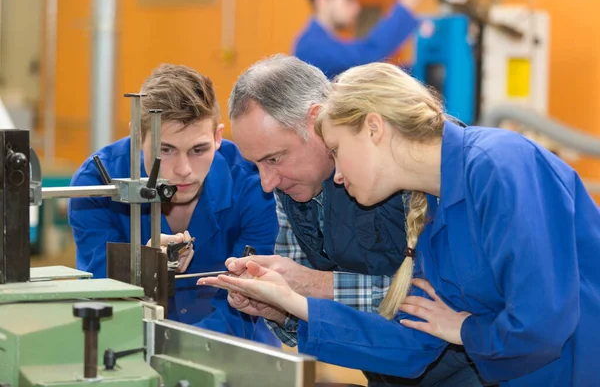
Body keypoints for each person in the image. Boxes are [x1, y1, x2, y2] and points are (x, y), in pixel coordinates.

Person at [201, 61, 600, 386]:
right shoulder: (430, 215)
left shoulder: (501, 164)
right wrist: (291, 304)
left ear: (373, 128)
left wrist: (465, 331)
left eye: (338, 151)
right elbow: (414, 341)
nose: (337, 176)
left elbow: (541, 324)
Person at [221, 54, 484, 386]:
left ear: (315, 121)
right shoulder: (292, 186)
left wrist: (312, 287)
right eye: (256, 164)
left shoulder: (407, 166)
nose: (266, 181)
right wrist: (278, 305)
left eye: (274, 158)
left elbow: (435, 303)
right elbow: (315, 317)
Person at [68, 63, 280, 347]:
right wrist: (142, 266)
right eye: (165, 150)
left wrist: (179, 351)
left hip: (236, 350)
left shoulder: (254, 186)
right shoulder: (94, 185)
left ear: (218, 138)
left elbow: (243, 305)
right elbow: (102, 291)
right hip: (128, 345)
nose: (183, 170)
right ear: (137, 139)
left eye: (198, 149)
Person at [294, 0, 428, 79]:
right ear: (322, 0)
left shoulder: (322, 41)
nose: (357, 8)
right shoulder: (312, 46)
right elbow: (368, 54)